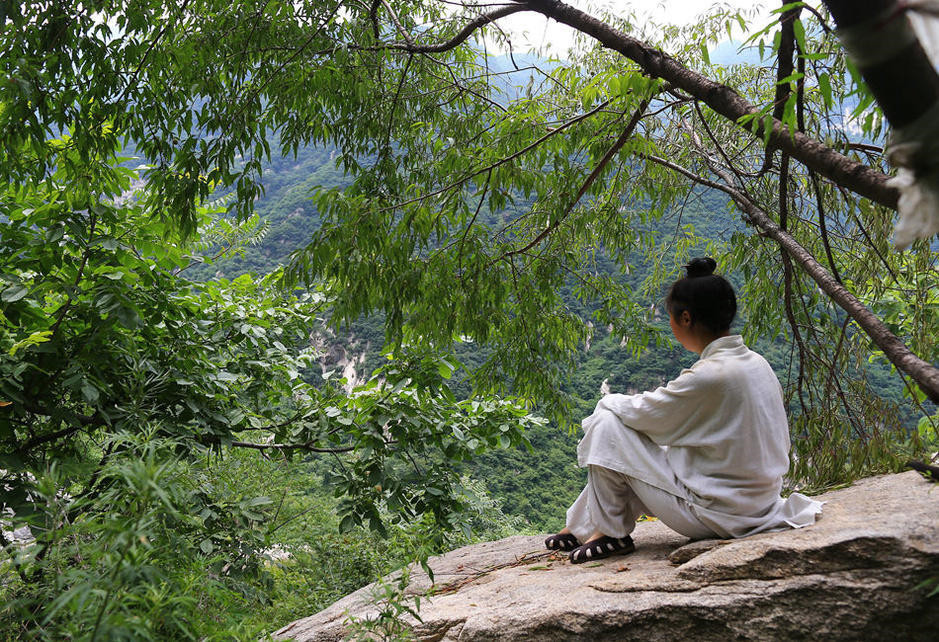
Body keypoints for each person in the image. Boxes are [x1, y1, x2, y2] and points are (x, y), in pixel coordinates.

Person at [545, 257, 823, 564]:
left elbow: (644, 414)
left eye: (671, 318)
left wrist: (606, 402)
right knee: (630, 437)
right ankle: (583, 526)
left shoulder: (711, 375)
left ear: (686, 318)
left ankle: (610, 534)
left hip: (716, 514)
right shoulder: (757, 364)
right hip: (757, 504)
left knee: (607, 425)